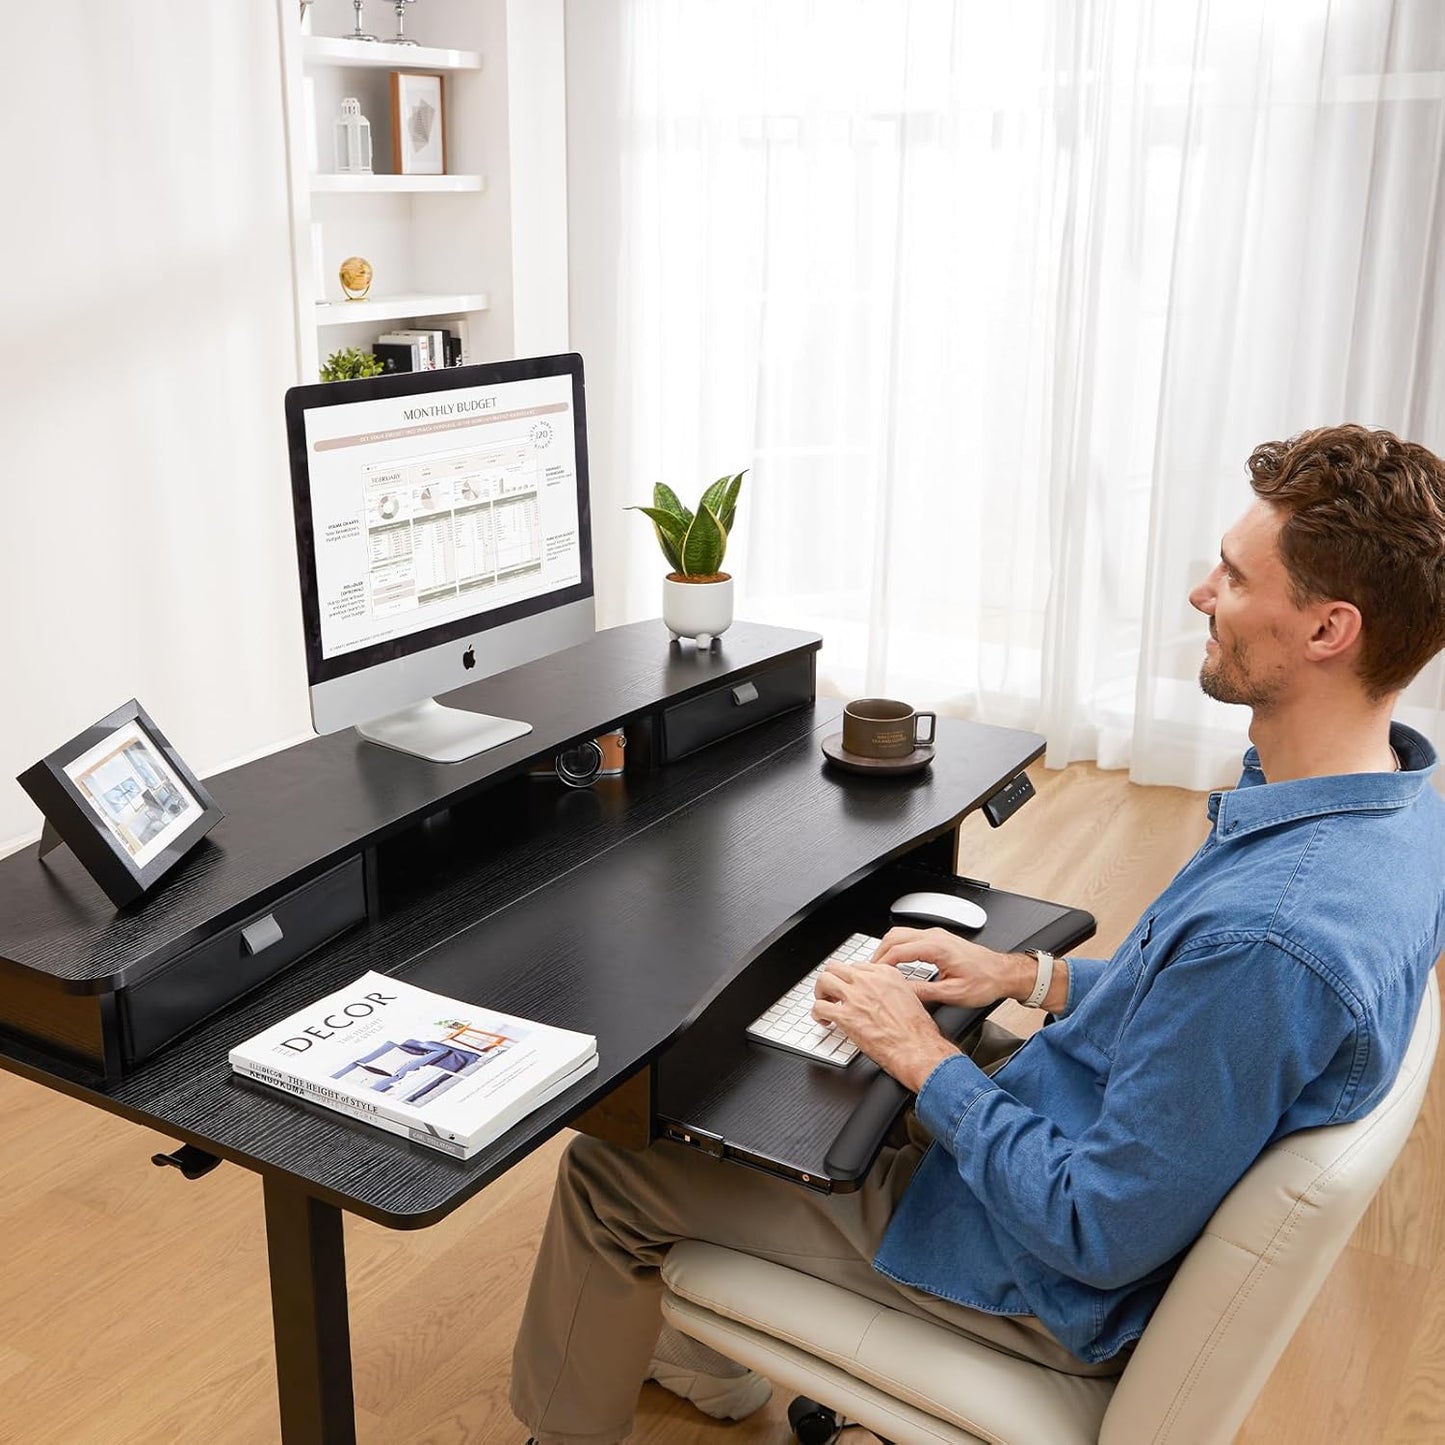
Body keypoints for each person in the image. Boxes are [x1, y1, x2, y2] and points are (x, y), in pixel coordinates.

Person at [510, 424, 1445, 1444]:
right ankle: (706, 1362)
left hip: (1032, 1263)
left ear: (1327, 629)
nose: (1198, 594)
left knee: (609, 1169)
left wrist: (922, 1061)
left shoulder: (1272, 940)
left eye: (1229, 573)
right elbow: (1190, 1010)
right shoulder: (1385, 807)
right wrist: (1023, 971)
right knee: (773, 1085)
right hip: (1081, 1124)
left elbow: (1094, 1226)